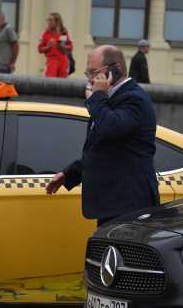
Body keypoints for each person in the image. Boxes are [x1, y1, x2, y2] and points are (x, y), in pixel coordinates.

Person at [46, 45, 159, 226]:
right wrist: (70, 174)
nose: (90, 80)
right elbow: (102, 148)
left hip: (129, 204)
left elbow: (111, 128)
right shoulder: (107, 100)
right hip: (111, 204)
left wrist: (97, 96)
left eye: (94, 72)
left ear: (116, 69)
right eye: (88, 74)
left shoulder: (134, 98)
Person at [38, 12, 73, 78]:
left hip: (63, 61)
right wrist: (48, 47)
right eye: (48, 20)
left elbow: (70, 48)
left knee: (63, 83)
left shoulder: (64, 33)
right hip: (52, 61)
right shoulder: (46, 34)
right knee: (50, 82)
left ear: (57, 21)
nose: (48, 22)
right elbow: (39, 49)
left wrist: (63, 47)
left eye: (50, 20)